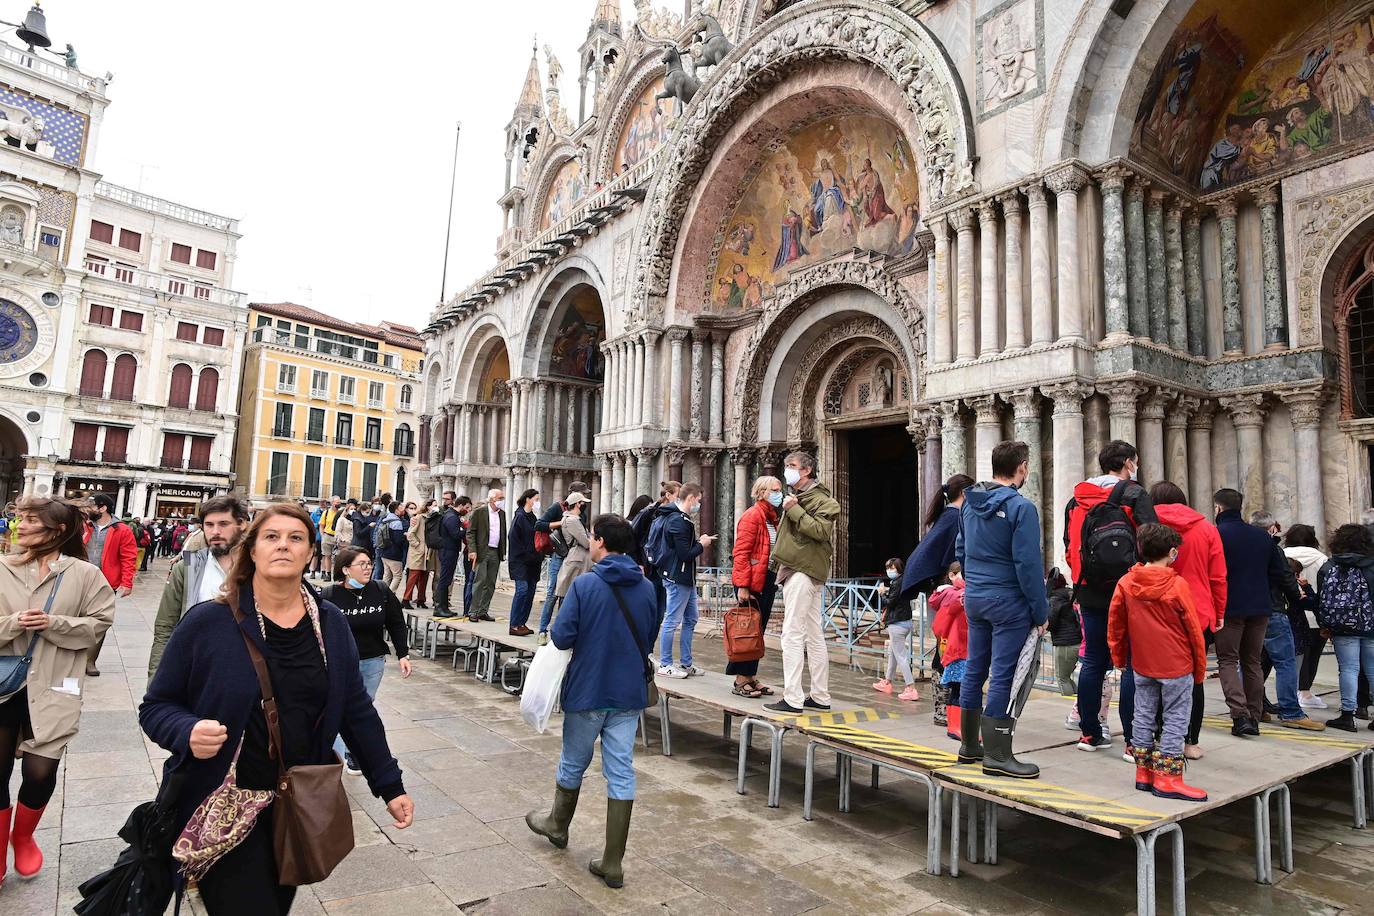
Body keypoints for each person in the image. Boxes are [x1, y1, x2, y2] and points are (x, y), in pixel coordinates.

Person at [139, 504, 414, 914]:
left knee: (276, 902)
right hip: (225, 802)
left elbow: (356, 710)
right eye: (271, 537)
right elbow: (157, 705)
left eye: (295, 538)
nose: (283, 545)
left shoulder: (331, 623)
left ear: (309, 553)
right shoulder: (207, 622)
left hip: (298, 803)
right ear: (251, 551)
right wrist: (186, 731)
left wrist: (389, 785)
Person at [525, 514, 656, 890]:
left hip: (589, 690)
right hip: (628, 692)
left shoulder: (585, 586)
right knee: (621, 770)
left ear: (598, 542)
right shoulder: (646, 587)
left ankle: (557, 824)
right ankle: (613, 862)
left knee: (574, 761)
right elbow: (648, 635)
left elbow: (563, 637)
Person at [0, 497, 115, 887]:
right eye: (20, 519)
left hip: (54, 683)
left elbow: (98, 625)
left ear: (58, 529)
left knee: (39, 770)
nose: (21, 526)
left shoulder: (85, 574)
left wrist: (54, 623)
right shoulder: (2, 567)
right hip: (2, 684)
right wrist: (15, 623)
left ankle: (23, 835)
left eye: (31, 520)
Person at [956, 440, 1047, 778]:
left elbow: (961, 549)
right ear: (1022, 467)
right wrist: (1040, 612)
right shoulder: (1022, 508)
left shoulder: (969, 503)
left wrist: (976, 581)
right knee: (1004, 674)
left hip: (976, 597)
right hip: (1008, 600)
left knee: (974, 667)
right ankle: (997, 755)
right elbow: (1028, 564)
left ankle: (969, 745)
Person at [1062, 440, 1157, 752]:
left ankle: (1089, 733)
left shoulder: (1077, 499)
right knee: (1131, 662)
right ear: (1128, 462)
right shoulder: (1134, 493)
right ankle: (1134, 742)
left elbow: (1068, 545)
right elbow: (1152, 541)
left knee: (1093, 661)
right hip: (1129, 589)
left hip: (1089, 589)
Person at [1108, 523, 1208, 801]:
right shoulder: (1177, 585)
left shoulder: (1126, 583)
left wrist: (1119, 657)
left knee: (1143, 714)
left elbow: (1115, 624)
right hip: (1176, 662)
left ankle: (1144, 772)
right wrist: (1199, 667)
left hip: (1142, 661)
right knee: (1176, 718)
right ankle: (1168, 778)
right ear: (1173, 552)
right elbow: (1193, 630)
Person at [1214, 488, 1304, 736]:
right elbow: (1280, 573)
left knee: (1228, 660)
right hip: (1261, 607)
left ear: (1218, 509)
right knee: (1252, 661)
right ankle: (1254, 716)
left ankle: (1240, 715)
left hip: (1229, 607)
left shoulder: (1215, 535)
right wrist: (1297, 598)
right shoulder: (1262, 537)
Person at [1149, 480, 1229, 758]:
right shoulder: (1207, 528)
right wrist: (1219, 613)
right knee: (1194, 678)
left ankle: (1156, 735)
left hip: (1154, 610)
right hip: (1197, 611)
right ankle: (1189, 741)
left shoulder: (1145, 526)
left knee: (1153, 676)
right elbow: (1217, 576)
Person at [321, 547, 412, 773]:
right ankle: (335, 757)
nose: (368, 568)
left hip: (373, 662)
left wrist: (403, 654)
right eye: (361, 564)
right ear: (345, 569)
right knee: (339, 708)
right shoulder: (330, 596)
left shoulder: (380, 590)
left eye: (369, 563)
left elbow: (396, 623)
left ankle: (353, 754)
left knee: (362, 708)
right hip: (340, 665)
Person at [764, 452, 839, 714]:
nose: (787, 471)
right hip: (800, 568)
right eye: (786, 466)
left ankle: (793, 698)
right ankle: (819, 696)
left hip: (803, 570)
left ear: (807, 471)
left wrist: (793, 509)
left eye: (792, 466)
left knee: (793, 633)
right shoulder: (797, 497)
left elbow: (820, 531)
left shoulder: (821, 499)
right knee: (813, 633)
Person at [149, 496, 251, 677]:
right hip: (195, 670)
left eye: (223, 524)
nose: (215, 531)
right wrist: (156, 679)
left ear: (241, 524)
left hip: (245, 672)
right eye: (209, 525)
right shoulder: (187, 567)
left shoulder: (258, 568)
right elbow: (165, 627)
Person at [901, 474, 973, 725]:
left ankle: (949, 706)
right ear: (965, 493)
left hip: (946, 593)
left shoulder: (949, 516)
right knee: (948, 650)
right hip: (949, 597)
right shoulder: (955, 517)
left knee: (950, 648)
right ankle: (944, 708)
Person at [1250, 511, 1324, 730]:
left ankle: (1255, 707)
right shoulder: (1271, 548)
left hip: (1245, 610)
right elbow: (1284, 577)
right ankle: (1290, 711)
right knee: (1286, 662)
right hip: (1272, 608)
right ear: (1272, 527)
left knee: (1250, 661)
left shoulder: (1240, 545)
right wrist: (1295, 594)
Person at [1316, 524, 1374, 732]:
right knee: (1372, 669)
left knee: (1348, 668)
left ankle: (1348, 715)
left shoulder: (1330, 566)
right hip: (1370, 625)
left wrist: (1325, 625)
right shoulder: (1371, 565)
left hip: (1342, 627)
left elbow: (1321, 599)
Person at [729, 476, 782, 698]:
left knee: (756, 632)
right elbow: (741, 553)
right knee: (746, 631)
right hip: (751, 582)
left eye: (780, 489)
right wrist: (742, 586)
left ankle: (750, 676)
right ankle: (741, 679)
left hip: (766, 580)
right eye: (774, 490)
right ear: (761, 492)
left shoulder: (771, 518)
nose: (779, 493)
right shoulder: (752, 516)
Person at [655, 483, 715, 678]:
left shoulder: (681, 520)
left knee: (691, 619)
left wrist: (699, 542)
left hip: (685, 578)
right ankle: (665, 664)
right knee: (672, 621)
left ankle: (686, 663)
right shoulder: (678, 521)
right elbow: (685, 554)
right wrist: (702, 544)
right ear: (691, 498)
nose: (699, 505)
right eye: (698, 501)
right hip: (677, 577)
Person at [83, 492, 136, 677]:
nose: (88, 510)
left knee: (99, 622)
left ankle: (90, 661)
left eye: (91, 506)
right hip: (81, 580)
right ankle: (74, 657)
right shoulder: (84, 526)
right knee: (75, 618)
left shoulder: (122, 530)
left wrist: (126, 582)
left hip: (106, 583)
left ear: (103, 508)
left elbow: (129, 557)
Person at [536, 481, 592, 637]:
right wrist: (560, 524)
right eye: (583, 494)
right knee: (553, 592)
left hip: (573, 556)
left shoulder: (581, 513)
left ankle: (561, 628)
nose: (586, 496)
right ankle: (542, 629)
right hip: (559, 555)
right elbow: (539, 524)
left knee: (568, 593)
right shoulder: (558, 508)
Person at [1283, 524, 1330, 709]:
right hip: (1315, 612)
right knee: (1313, 656)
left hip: (1290, 613)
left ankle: (1292, 691)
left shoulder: (1281, 554)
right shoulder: (1321, 559)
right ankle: (1305, 692)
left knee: (1293, 656)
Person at [930, 563, 968, 739]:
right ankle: (957, 727)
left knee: (957, 688)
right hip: (958, 647)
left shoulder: (947, 594)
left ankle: (954, 725)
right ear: (952, 575)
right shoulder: (956, 595)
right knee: (960, 689)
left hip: (952, 646)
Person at [874, 556, 919, 701]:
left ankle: (910, 688)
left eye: (892, 568)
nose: (889, 570)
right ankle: (887, 682)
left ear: (899, 568)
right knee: (892, 652)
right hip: (905, 622)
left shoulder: (897, 582)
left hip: (897, 623)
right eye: (888, 568)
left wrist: (882, 593)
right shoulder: (903, 581)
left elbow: (890, 602)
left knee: (900, 655)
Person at [468, 488, 506, 623]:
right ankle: (473, 611)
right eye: (500, 498)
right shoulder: (480, 512)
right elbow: (471, 532)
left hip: (496, 551)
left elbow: (502, 531)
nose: (502, 501)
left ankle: (483, 611)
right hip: (482, 550)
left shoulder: (502, 514)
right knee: (480, 581)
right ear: (492, 499)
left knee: (490, 583)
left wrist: (503, 551)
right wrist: (473, 550)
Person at [508, 489, 541, 637]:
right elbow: (513, 538)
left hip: (533, 562)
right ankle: (514, 624)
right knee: (522, 590)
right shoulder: (520, 516)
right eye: (536, 499)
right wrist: (525, 553)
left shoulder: (532, 517)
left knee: (530, 592)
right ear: (528, 499)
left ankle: (522, 623)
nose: (537, 502)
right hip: (520, 561)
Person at [432, 492, 471, 618]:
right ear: (460, 505)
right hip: (448, 550)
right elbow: (455, 534)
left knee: (447, 579)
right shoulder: (451, 517)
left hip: (450, 550)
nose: (468, 510)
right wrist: (467, 530)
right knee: (444, 579)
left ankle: (444, 606)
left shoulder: (453, 515)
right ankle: (439, 607)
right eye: (467, 508)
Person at [1046, 568, 1079, 697]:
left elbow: (1051, 622)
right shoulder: (1070, 595)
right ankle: (1077, 704)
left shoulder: (1055, 599)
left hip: (1065, 644)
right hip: (1077, 641)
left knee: (1062, 678)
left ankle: (1069, 707)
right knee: (1068, 677)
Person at [403, 499, 435, 609]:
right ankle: (406, 599)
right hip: (418, 551)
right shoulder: (419, 518)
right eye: (434, 505)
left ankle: (421, 599)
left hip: (427, 551)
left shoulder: (431, 518)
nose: (435, 507)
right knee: (414, 575)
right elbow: (410, 534)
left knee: (424, 576)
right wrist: (417, 545)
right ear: (427, 506)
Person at [376, 501, 408, 593]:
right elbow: (398, 540)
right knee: (397, 576)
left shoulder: (385, 519)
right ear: (396, 510)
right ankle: (390, 594)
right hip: (394, 554)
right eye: (401, 507)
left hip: (384, 551)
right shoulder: (397, 522)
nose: (403, 509)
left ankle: (382, 594)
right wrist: (405, 536)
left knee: (387, 575)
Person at [319, 495, 343, 578]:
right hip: (327, 535)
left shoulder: (342, 513)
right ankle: (328, 574)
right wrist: (322, 535)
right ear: (332, 503)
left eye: (339, 502)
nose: (338, 504)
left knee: (338, 557)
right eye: (337, 502)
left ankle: (336, 573)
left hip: (338, 536)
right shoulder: (326, 513)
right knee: (327, 555)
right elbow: (321, 525)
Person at [309, 500, 326, 579]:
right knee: (315, 555)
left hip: (325, 537)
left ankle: (323, 572)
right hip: (317, 537)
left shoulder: (327, 513)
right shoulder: (315, 513)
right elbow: (310, 524)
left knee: (324, 556)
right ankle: (312, 572)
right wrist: (318, 524)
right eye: (321, 503)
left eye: (324, 503)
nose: (322, 505)